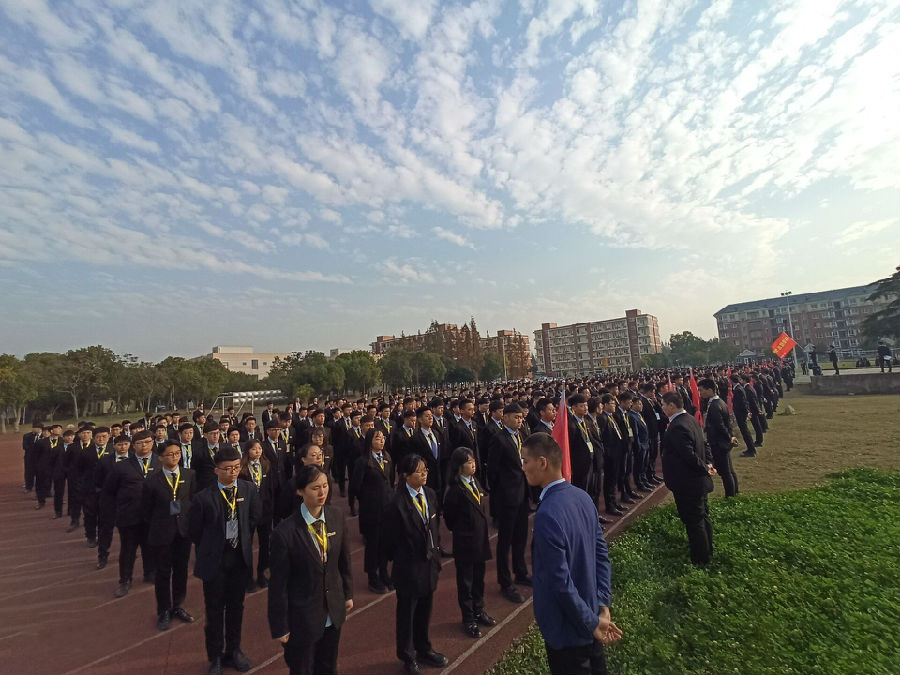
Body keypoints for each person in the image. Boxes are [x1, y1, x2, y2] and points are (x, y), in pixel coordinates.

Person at [521, 432, 622, 675]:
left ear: (543, 463)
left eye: (525, 461)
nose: (523, 467)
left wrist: (591, 621)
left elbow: (560, 582)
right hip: (591, 613)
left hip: (568, 627)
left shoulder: (547, 515)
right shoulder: (583, 497)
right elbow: (601, 556)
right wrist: (602, 606)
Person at [268, 464, 354, 675]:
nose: (322, 492)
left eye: (325, 486)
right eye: (315, 488)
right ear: (300, 491)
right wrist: (280, 626)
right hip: (302, 617)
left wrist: (347, 594)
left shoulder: (336, 517)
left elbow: (343, 561)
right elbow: (278, 584)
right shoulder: (285, 533)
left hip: (332, 611)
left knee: (328, 666)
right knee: (302, 668)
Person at [190, 446, 262, 675]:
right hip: (215, 563)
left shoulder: (249, 490)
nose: (232, 472)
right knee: (214, 611)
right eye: (227, 468)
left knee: (236, 608)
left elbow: (254, 519)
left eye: (236, 467)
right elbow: (194, 531)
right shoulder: (203, 497)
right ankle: (215, 657)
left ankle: (234, 650)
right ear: (216, 470)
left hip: (239, 560)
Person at [380, 454, 448, 675]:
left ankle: (424, 648)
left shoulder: (429, 494)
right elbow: (388, 541)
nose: (424, 474)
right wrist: (402, 557)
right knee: (407, 614)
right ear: (406, 476)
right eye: (419, 471)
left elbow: (435, 528)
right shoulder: (395, 503)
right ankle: (407, 655)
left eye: (425, 470)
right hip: (408, 567)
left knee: (425, 610)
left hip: (429, 564)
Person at [441, 447, 495, 639]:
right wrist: (464, 530)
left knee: (479, 579)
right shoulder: (455, 491)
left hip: (480, 540)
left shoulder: (475, 482)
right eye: (469, 463)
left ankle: (479, 611)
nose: (474, 465)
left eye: (474, 461)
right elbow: (449, 518)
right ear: (459, 467)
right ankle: (468, 618)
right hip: (465, 542)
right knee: (466, 582)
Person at [143, 439, 196, 630]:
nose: (174, 457)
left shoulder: (190, 475)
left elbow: (192, 501)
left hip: (183, 532)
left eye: (177, 454)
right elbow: (146, 510)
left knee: (181, 571)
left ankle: (178, 606)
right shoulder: (152, 481)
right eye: (169, 454)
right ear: (160, 458)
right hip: (162, 533)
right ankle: (163, 610)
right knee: (163, 573)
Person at [660, 391, 715, 565]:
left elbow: (688, 455)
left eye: (663, 405)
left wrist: (705, 467)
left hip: (688, 483)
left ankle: (700, 559)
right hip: (696, 480)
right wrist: (709, 463)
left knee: (694, 522)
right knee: (702, 516)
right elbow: (704, 444)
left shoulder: (678, 426)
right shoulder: (690, 419)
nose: (662, 408)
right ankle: (707, 549)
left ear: (671, 406)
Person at [104, 430, 161, 596]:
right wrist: (113, 513)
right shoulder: (121, 466)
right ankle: (125, 580)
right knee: (128, 550)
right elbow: (109, 491)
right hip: (129, 516)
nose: (144, 445)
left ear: (153, 443)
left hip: (152, 516)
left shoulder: (160, 462)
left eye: (148, 442)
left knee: (150, 547)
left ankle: (150, 573)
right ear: (133, 446)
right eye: (140, 443)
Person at [486, 403, 531, 604]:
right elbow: (492, 472)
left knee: (521, 536)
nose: (519, 421)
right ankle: (505, 582)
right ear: (505, 418)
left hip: (522, 495)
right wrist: (500, 496)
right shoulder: (499, 439)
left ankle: (520, 571)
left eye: (521, 418)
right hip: (507, 498)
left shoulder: (520, 436)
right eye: (515, 417)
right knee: (505, 542)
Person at [349, 428, 394, 594]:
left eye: (383, 438)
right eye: (377, 438)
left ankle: (383, 572)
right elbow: (355, 487)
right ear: (369, 441)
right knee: (373, 545)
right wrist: (369, 500)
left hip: (386, 509)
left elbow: (390, 481)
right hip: (371, 511)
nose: (381, 441)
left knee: (384, 543)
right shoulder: (363, 462)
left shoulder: (387, 458)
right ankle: (372, 576)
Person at [238, 440, 276, 591]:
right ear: (247, 451)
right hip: (248, 512)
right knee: (246, 545)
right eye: (254, 449)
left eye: (259, 448)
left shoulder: (266, 466)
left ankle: (262, 573)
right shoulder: (242, 469)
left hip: (265, 511)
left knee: (265, 544)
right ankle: (248, 578)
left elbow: (272, 487)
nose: (258, 451)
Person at [698, 379, 739, 497]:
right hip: (722, 441)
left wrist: (729, 437)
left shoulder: (715, 405)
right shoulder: (719, 402)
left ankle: (730, 495)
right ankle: (734, 492)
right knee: (729, 469)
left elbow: (720, 425)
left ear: (710, 390)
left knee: (726, 472)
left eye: (702, 390)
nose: (700, 393)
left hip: (719, 442)